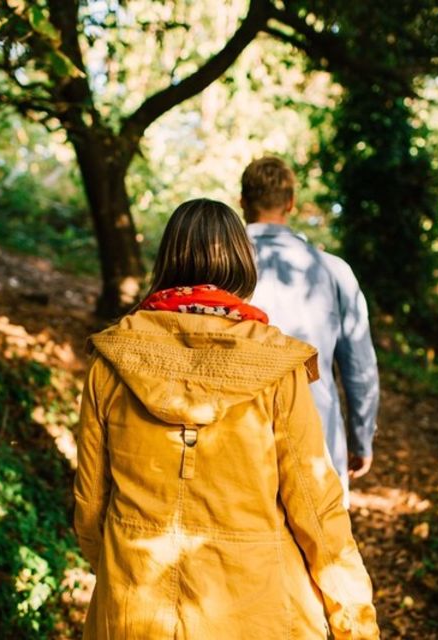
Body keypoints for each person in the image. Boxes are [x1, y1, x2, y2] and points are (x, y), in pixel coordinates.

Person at [75, 198, 379, 639]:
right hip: (253, 611)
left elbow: (89, 507)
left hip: (134, 609)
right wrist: (355, 623)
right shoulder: (275, 365)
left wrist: (124, 573)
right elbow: (316, 510)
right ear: (241, 263)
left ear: (168, 261)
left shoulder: (113, 359)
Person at [241, 157, 380, 504]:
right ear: (290, 203)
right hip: (318, 443)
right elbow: (360, 370)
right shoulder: (334, 271)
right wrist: (361, 439)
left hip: (237, 445)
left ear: (242, 202)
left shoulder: (219, 267)